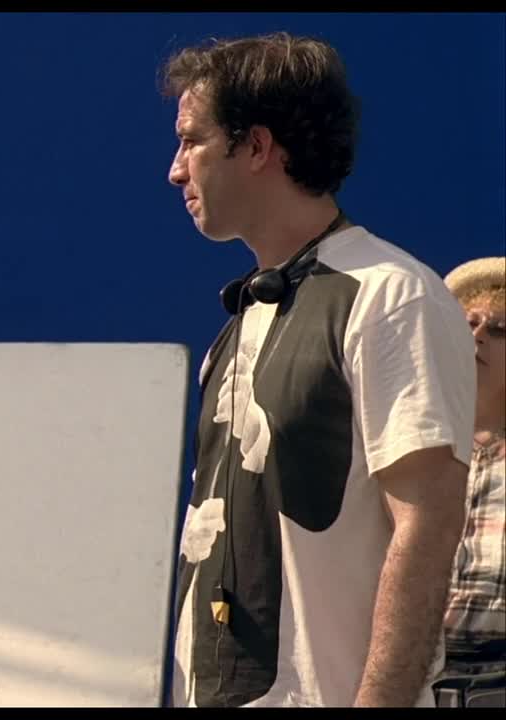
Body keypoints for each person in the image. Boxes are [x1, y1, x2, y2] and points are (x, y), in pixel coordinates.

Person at [162, 33, 475, 707]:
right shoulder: (244, 317)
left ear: (256, 146)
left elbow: (427, 526)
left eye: (191, 141)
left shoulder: (391, 295)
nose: (176, 171)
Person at [434, 256, 505, 708]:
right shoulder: (405, 450)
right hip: (414, 679)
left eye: (500, 331)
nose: (478, 336)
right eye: (469, 323)